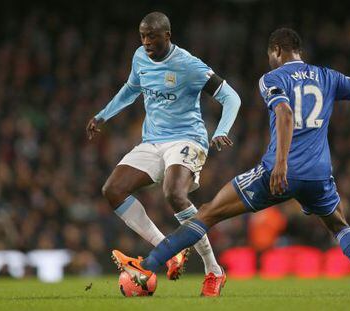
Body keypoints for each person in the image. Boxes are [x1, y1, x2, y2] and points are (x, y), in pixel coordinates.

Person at [111, 28, 350, 297]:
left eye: (270, 55)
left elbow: (285, 114)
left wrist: (281, 163)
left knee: (207, 213)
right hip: (319, 176)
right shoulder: (328, 76)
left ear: (277, 51)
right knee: (339, 226)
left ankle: (148, 264)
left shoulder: (272, 78)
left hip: (277, 173)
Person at [86, 12, 241, 296]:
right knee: (113, 189)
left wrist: (222, 130)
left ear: (167, 36)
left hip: (188, 139)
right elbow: (131, 90)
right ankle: (168, 252)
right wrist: (103, 115)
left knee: (174, 193)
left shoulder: (188, 65)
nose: (146, 42)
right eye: (143, 36)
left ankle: (214, 271)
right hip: (153, 141)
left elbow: (231, 96)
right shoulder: (140, 57)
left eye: (152, 36)